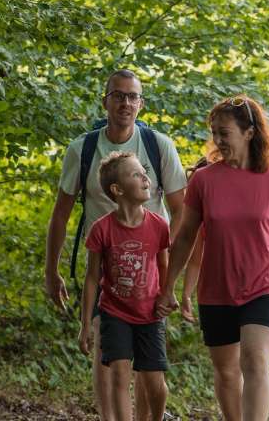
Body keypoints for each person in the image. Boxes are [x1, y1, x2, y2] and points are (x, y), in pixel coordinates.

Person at [45, 69, 186, 421]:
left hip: (149, 268)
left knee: (148, 365)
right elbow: (60, 214)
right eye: (118, 95)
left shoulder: (158, 146)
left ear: (141, 103)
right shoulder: (83, 149)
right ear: (105, 101)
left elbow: (182, 211)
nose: (125, 102)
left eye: (132, 96)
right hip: (105, 264)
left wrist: (171, 277)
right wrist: (51, 270)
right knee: (106, 353)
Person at [156, 95, 269, 421]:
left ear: (249, 133)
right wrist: (169, 286)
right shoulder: (203, 180)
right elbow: (186, 236)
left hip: (265, 286)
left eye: (224, 132)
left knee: (254, 361)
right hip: (217, 290)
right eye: (214, 133)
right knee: (226, 372)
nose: (218, 140)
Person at [79, 152, 170, 421]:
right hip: (114, 312)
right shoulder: (101, 229)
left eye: (144, 173)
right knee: (119, 374)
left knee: (155, 383)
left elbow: (164, 266)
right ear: (117, 190)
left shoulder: (159, 226)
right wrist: (85, 324)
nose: (145, 178)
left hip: (150, 314)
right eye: (136, 174)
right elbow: (92, 278)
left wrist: (167, 295)